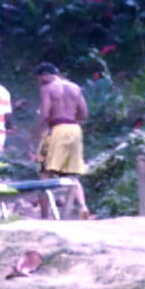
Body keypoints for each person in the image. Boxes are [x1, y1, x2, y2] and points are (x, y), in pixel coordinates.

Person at [32, 62, 92, 220]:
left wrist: (36, 133)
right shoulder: (75, 87)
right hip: (74, 130)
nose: (39, 83)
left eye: (39, 79)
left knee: (45, 173)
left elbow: (45, 114)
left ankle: (45, 216)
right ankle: (83, 207)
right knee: (72, 174)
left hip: (56, 129)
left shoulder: (47, 88)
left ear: (45, 75)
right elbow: (84, 114)